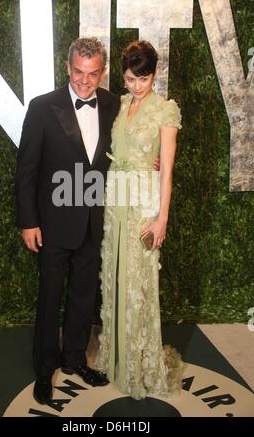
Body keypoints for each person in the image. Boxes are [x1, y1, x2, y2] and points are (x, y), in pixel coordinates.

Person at [16, 37, 121, 404]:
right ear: (68, 68)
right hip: (53, 222)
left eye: (93, 74)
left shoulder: (112, 104)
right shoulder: (43, 107)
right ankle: (45, 371)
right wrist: (29, 222)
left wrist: (148, 162)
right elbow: (26, 170)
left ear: (102, 72)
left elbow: (119, 155)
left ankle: (75, 360)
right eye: (78, 71)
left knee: (83, 296)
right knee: (49, 298)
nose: (84, 81)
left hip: (93, 219)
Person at [95, 40, 184, 400]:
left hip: (144, 203)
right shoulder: (121, 104)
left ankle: (139, 364)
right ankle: (115, 358)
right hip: (117, 200)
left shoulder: (165, 110)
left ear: (155, 74)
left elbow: (167, 171)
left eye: (143, 79)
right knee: (115, 278)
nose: (136, 86)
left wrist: (161, 218)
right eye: (131, 79)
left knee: (139, 285)